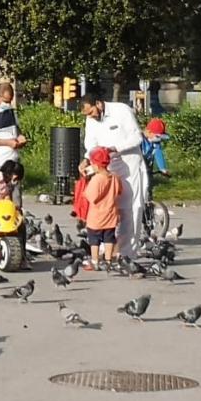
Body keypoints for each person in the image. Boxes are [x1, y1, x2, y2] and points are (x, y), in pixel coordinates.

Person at [80, 94, 147, 256]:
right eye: (87, 115)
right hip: (105, 167)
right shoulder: (91, 120)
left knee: (131, 209)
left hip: (129, 164)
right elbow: (91, 145)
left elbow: (137, 137)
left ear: (98, 103)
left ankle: (126, 255)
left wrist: (114, 148)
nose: (90, 117)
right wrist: (86, 160)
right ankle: (105, 250)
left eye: (91, 112)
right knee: (105, 208)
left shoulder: (121, 110)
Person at [81, 146, 122, 270]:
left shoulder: (96, 179)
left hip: (96, 217)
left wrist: (85, 184)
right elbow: (119, 191)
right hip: (111, 214)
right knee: (109, 239)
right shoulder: (114, 177)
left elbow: (91, 196)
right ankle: (108, 260)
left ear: (96, 165)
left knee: (94, 240)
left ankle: (95, 261)